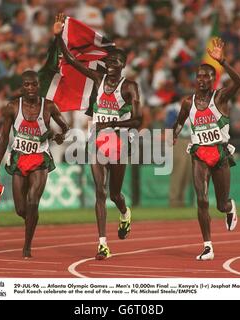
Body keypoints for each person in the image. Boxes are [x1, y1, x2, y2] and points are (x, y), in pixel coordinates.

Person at [54, 13, 142, 260]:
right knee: (100, 193)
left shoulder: (129, 86)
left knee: (114, 194)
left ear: (123, 65)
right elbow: (71, 61)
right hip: (97, 140)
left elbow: (138, 120)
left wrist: (112, 122)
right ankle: (102, 243)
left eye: (116, 60)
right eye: (109, 59)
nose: (111, 62)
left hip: (120, 141)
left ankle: (124, 212)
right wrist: (58, 35)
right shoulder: (99, 79)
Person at [172, 38, 240, 261]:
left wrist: (223, 61)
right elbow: (180, 121)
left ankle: (229, 206)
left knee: (220, 204)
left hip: (220, 153)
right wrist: (173, 133)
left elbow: (239, 82)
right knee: (202, 200)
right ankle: (207, 246)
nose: (202, 79)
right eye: (199, 76)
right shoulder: (187, 102)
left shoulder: (220, 97)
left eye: (207, 76)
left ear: (214, 79)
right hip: (199, 154)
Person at [0, 70, 69, 258]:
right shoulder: (12, 107)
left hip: (40, 158)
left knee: (33, 200)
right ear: (22, 87)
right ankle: (32, 219)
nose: (31, 88)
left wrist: (59, 136)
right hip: (18, 157)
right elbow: (3, 139)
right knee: (21, 209)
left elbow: (65, 127)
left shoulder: (48, 106)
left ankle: (27, 246)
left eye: (34, 84)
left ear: (39, 85)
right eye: (27, 85)